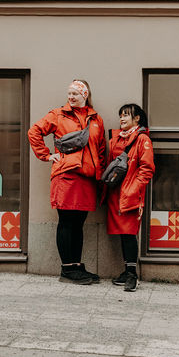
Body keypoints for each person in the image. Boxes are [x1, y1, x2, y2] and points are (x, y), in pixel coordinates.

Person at [28, 79, 107, 285]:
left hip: (87, 179)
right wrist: (47, 155)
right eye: (69, 93)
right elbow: (34, 132)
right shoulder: (58, 114)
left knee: (78, 223)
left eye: (75, 93)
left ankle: (76, 266)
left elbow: (100, 149)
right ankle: (67, 269)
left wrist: (100, 174)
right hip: (66, 176)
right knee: (66, 221)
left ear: (85, 95)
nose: (71, 97)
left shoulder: (96, 119)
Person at [104, 103, 155, 292]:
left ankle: (132, 275)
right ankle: (127, 271)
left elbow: (147, 169)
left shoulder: (142, 139)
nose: (122, 119)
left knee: (129, 233)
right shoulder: (117, 138)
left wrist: (134, 189)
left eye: (126, 115)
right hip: (115, 194)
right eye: (120, 116)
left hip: (130, 194)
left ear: (137, 118)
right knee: (123, 233)